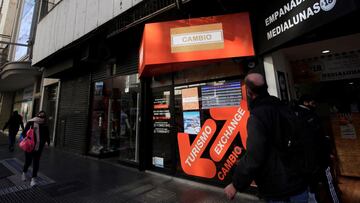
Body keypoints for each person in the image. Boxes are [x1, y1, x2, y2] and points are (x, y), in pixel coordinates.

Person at [224, 73, 308, 202]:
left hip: (278, 189)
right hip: (299, 183)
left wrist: (236, 184)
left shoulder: (257, 116)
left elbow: (255, 155)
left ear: (249, 92)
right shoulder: (284, 107)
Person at [294, 95, 340, 203]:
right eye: (313, 103)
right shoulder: (311, 116)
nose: (314, 105)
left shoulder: (293, 116)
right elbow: (320, 139)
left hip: (306, 163)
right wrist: (328, 152)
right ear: (305, 102)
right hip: (319, 159)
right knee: (329, 185)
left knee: (312, 190)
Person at [21, 111, 50, 187]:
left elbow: (47, 135)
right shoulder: (31, 123)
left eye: (43, 117)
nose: (41, 118)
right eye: (40, 116)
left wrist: (47, 142)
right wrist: (28, 140)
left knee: (36, 162)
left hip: (39, 147)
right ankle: (24, 173)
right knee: (28, 162)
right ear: (37, 116)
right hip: (30, 146)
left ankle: (33, 179)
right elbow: (24, 133)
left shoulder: (45, 125)